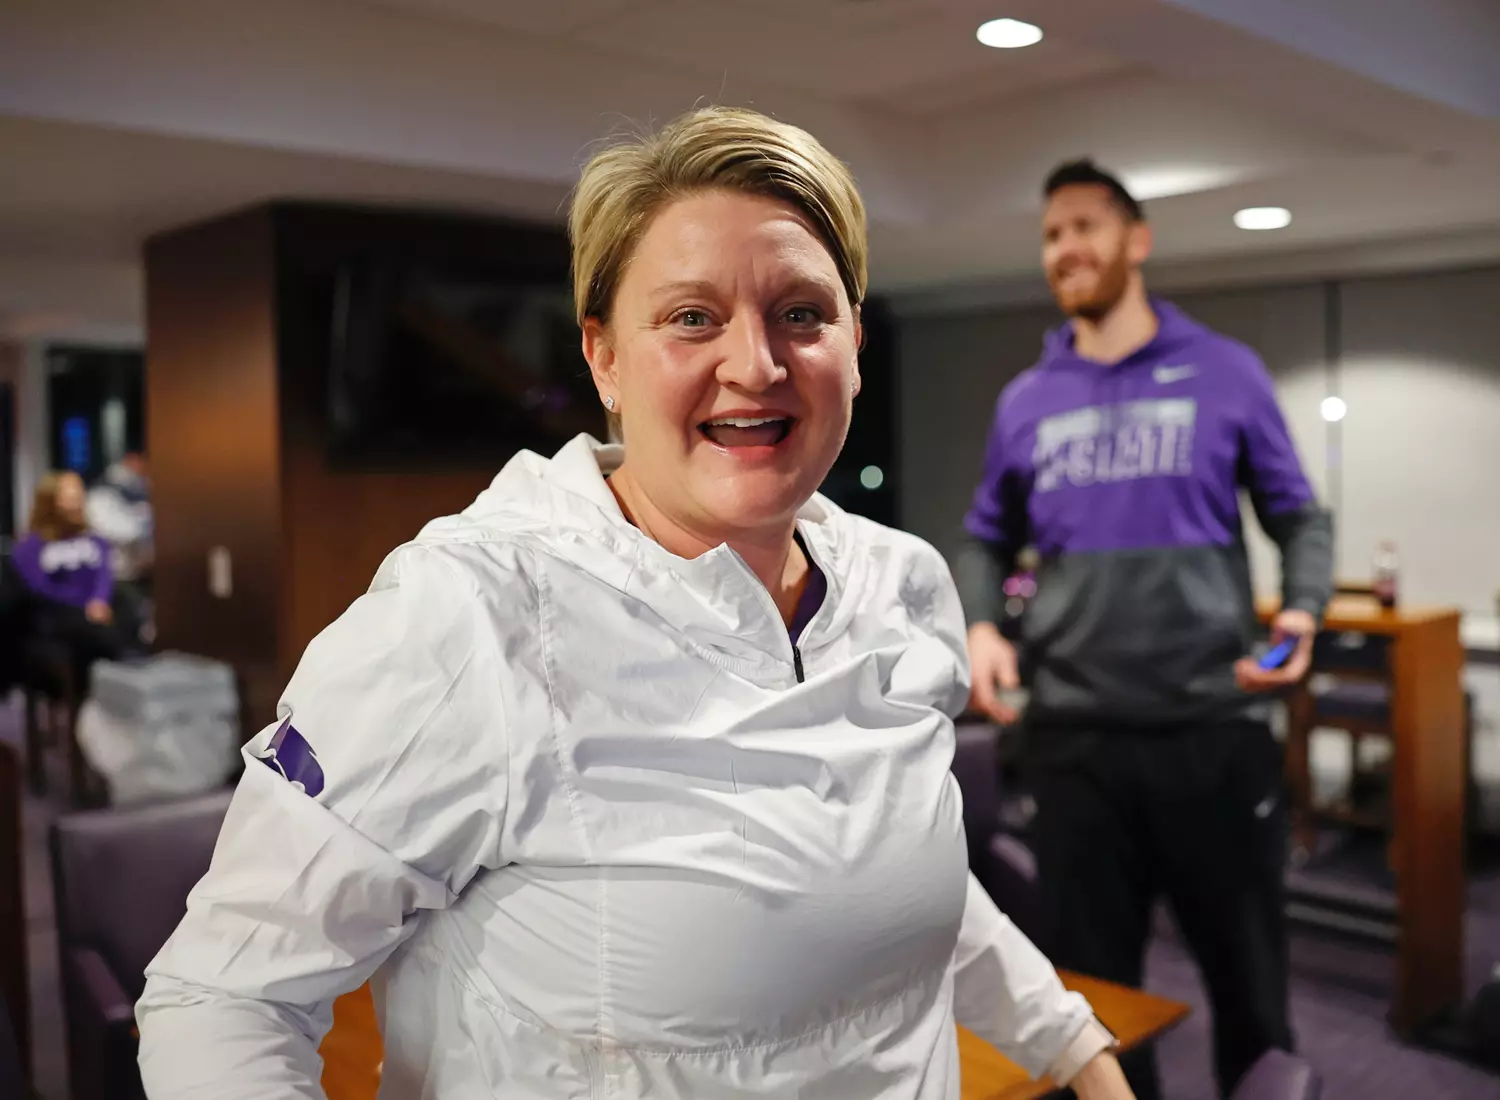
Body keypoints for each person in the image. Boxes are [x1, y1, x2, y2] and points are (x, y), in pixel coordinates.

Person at [136, 109, 1134, 1099]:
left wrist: (1072, 1045)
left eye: (801, 312)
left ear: (856, 343)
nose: (756, 364)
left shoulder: (901, 584)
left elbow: (893, 883)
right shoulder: (468, 616)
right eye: (692, 317)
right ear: (604, 356)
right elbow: (222, 1001)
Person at [957, 159, 1333, 1100]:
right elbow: (986, 537)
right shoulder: (1026, 399)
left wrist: (1302, 609)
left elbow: (1301, 519)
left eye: (1084, 226)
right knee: (1095, 1010)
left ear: (1137, 239)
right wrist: (982, 625)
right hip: (1074, 744)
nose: (1065, 248)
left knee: (1251, 992)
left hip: (1212, 731)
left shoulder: (1227, 373)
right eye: (1051, 234)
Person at [11, 471, 127, 689]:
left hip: (95, 612)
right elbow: (38, 588)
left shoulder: (96, 540)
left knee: (125, 610)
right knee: (94, 633)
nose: (77, 504)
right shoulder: (29, 547)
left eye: (79, 497)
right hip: (55, 616)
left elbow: (104, 575)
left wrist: (98, 601)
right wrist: (83, 606)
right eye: (69, 498)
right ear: (50, 503)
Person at [86, 450, 154, 641]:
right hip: (117, 573)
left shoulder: (142, 486)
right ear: (133, 459)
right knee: (127, 624)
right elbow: (120, 531)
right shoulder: (103, 492)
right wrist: (145, 523)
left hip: (143, 571)